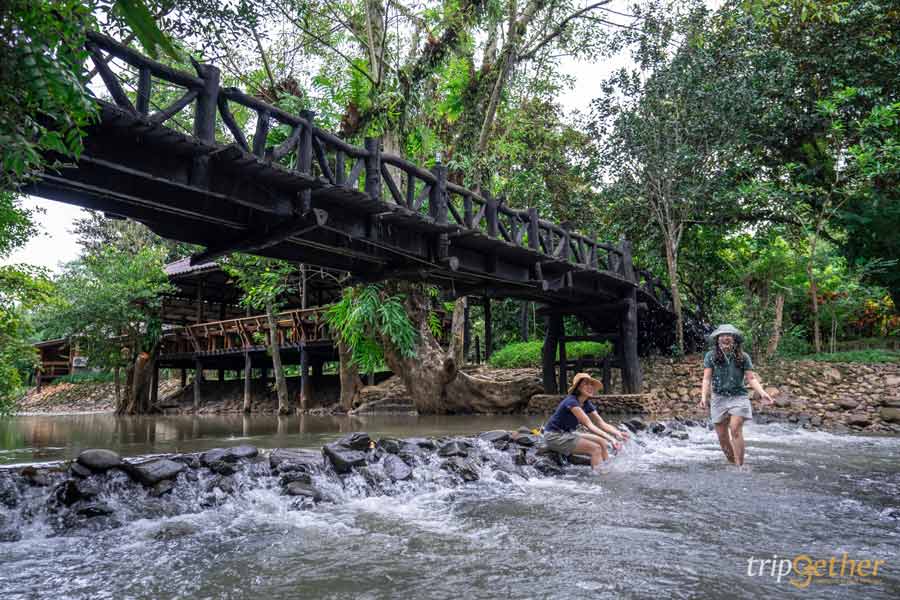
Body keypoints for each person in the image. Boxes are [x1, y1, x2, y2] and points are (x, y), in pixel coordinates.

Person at [697, 324, 773, 467]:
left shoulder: (743, 357)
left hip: (739, 397)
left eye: (729, 335)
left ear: (734, 340)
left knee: (735, 427)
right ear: (718, 339)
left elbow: (751, 378)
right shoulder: (710, 356)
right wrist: (703, 397)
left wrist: (763, 393)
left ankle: (740, 466)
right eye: (722, 335)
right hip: (719, 398)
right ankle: (733, 464)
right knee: (722, 436)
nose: (726, 337)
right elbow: (707, 378)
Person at [542, 372, 630, 470]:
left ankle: (607, 468)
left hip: (568, 433)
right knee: (595, 449)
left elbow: (601, 423)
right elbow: (590, 425)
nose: (590, 387)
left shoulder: (586, 403)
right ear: (578, 388)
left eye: (591, 384)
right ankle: (600, 477)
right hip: (554, 436)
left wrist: (618, 433)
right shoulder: (571, 402)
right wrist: (612, 439)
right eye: (586, 384)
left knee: (602, 442)